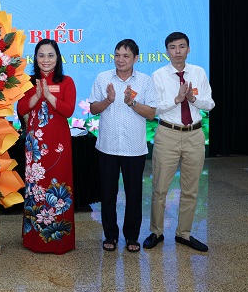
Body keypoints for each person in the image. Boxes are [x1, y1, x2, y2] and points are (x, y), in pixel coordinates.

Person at [143, 32, 215, 252]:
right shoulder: (158, 75)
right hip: (168, 134)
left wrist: (192, 99)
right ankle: (156, 232)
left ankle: (184, 233)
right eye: (173, 47)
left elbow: (210, 104)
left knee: (191, 189)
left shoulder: (199, 72)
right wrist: (177, 99)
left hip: (194, 134)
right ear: (167, 51)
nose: (177, 51)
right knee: (160, 188)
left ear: (188, 49)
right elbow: (154, 108)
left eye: (181, 46)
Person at [89, 39, 157, 253]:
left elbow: (151, 113)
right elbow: (93, 109)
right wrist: (108, 100)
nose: (121, 60)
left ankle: (132, 236)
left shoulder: (145, 81)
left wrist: (131, 103)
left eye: (126, 56)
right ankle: (110, 235)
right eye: (117, 55)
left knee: (134, 195)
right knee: (107, 194)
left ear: (135, 58)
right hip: (107, 147)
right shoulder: (103, 78)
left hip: (134, 148)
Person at [17, 39, 76, 254]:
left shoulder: (66, 81)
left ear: (57, 58)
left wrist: (49, 96)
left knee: (58, 187)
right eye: (41, 55)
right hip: (35, 146)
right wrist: (36, 96)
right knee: (36, 189)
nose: (46, 60)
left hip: (59, 145)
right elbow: (21, 108)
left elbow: (69, 110)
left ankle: (60, 240)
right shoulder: (28, 82)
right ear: (35, 58)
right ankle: (35, 240)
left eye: (50, 55)